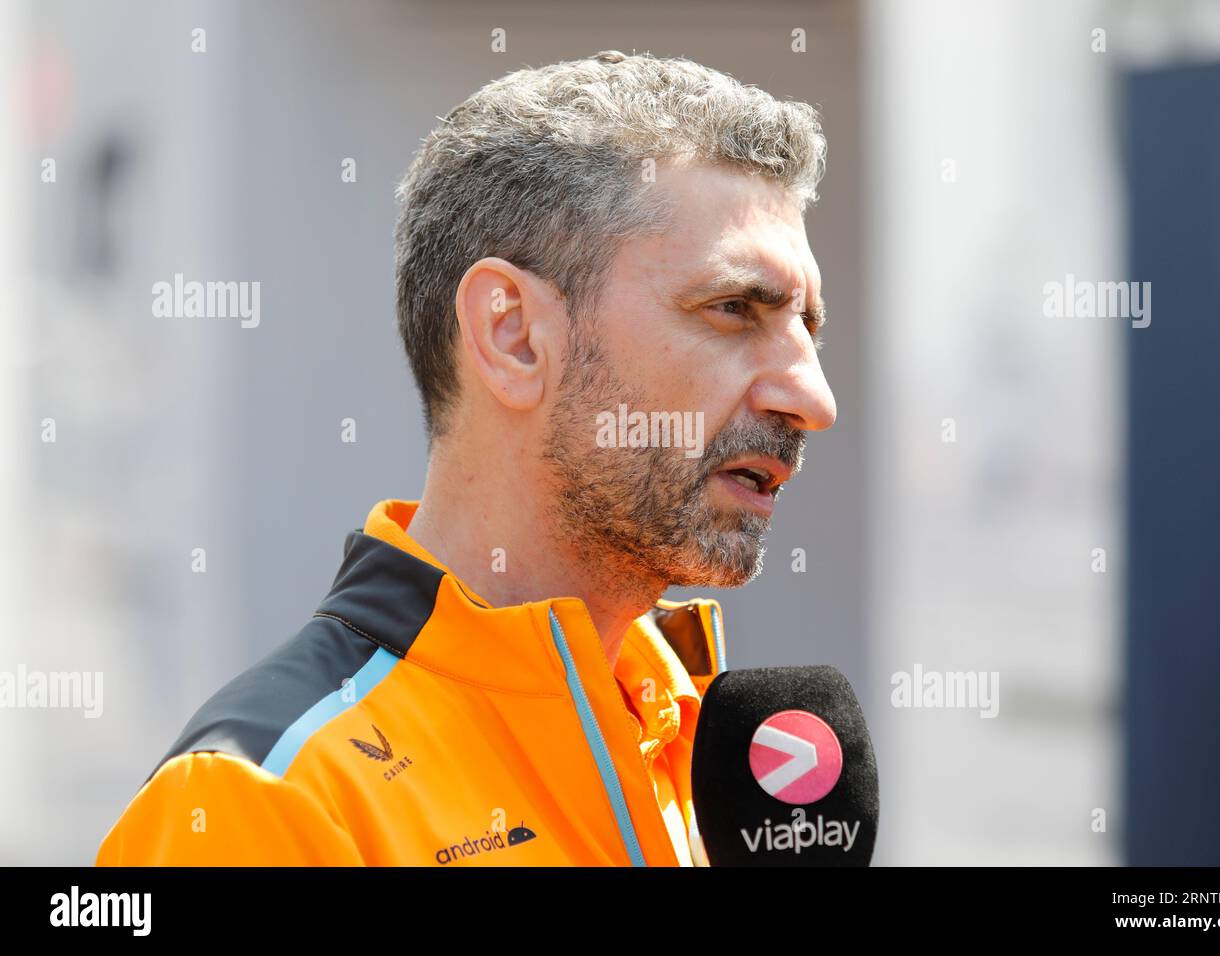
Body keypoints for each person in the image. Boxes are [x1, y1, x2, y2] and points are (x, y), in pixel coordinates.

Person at [95, 49, 836, 866]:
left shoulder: (728, 759)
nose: (812, 398)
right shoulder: (258, 799)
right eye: (734, 308)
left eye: (810, 327)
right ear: (512, 334)